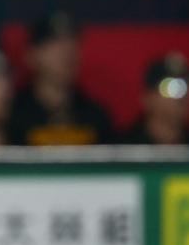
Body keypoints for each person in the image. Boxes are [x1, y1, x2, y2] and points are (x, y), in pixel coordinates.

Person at [8, 13, 114, 146]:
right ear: (31, 55)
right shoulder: (13, 115)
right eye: (54, 43)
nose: (66, 51)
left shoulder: (95, 117)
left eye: (72, 41)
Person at [122, 52, 189, 145]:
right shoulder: (121, 150)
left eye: (187, 86)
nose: (182, 96)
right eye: (172, 87)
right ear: (147, 97)